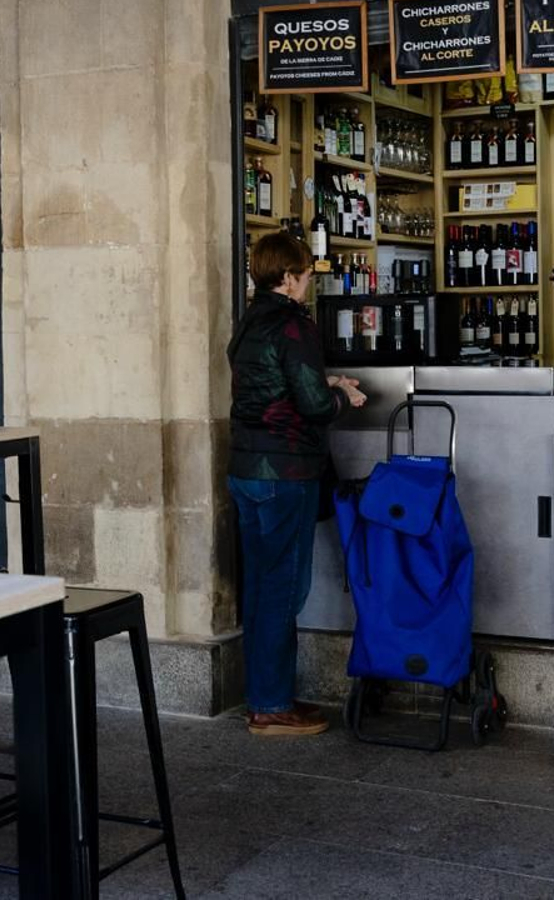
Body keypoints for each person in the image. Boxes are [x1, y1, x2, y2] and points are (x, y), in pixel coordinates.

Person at [227, 232, 365, 737]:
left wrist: (325, 381)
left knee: (259, 587)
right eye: (305, 275)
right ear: (287, 277)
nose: (308, 283)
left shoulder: (250, 320)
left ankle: (263, 696)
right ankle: (270, 705)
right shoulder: (293, 323)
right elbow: (312, 406)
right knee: (283, 589)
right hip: (286, 472)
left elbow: (270, 381)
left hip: (246, 470)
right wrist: (343, 397)